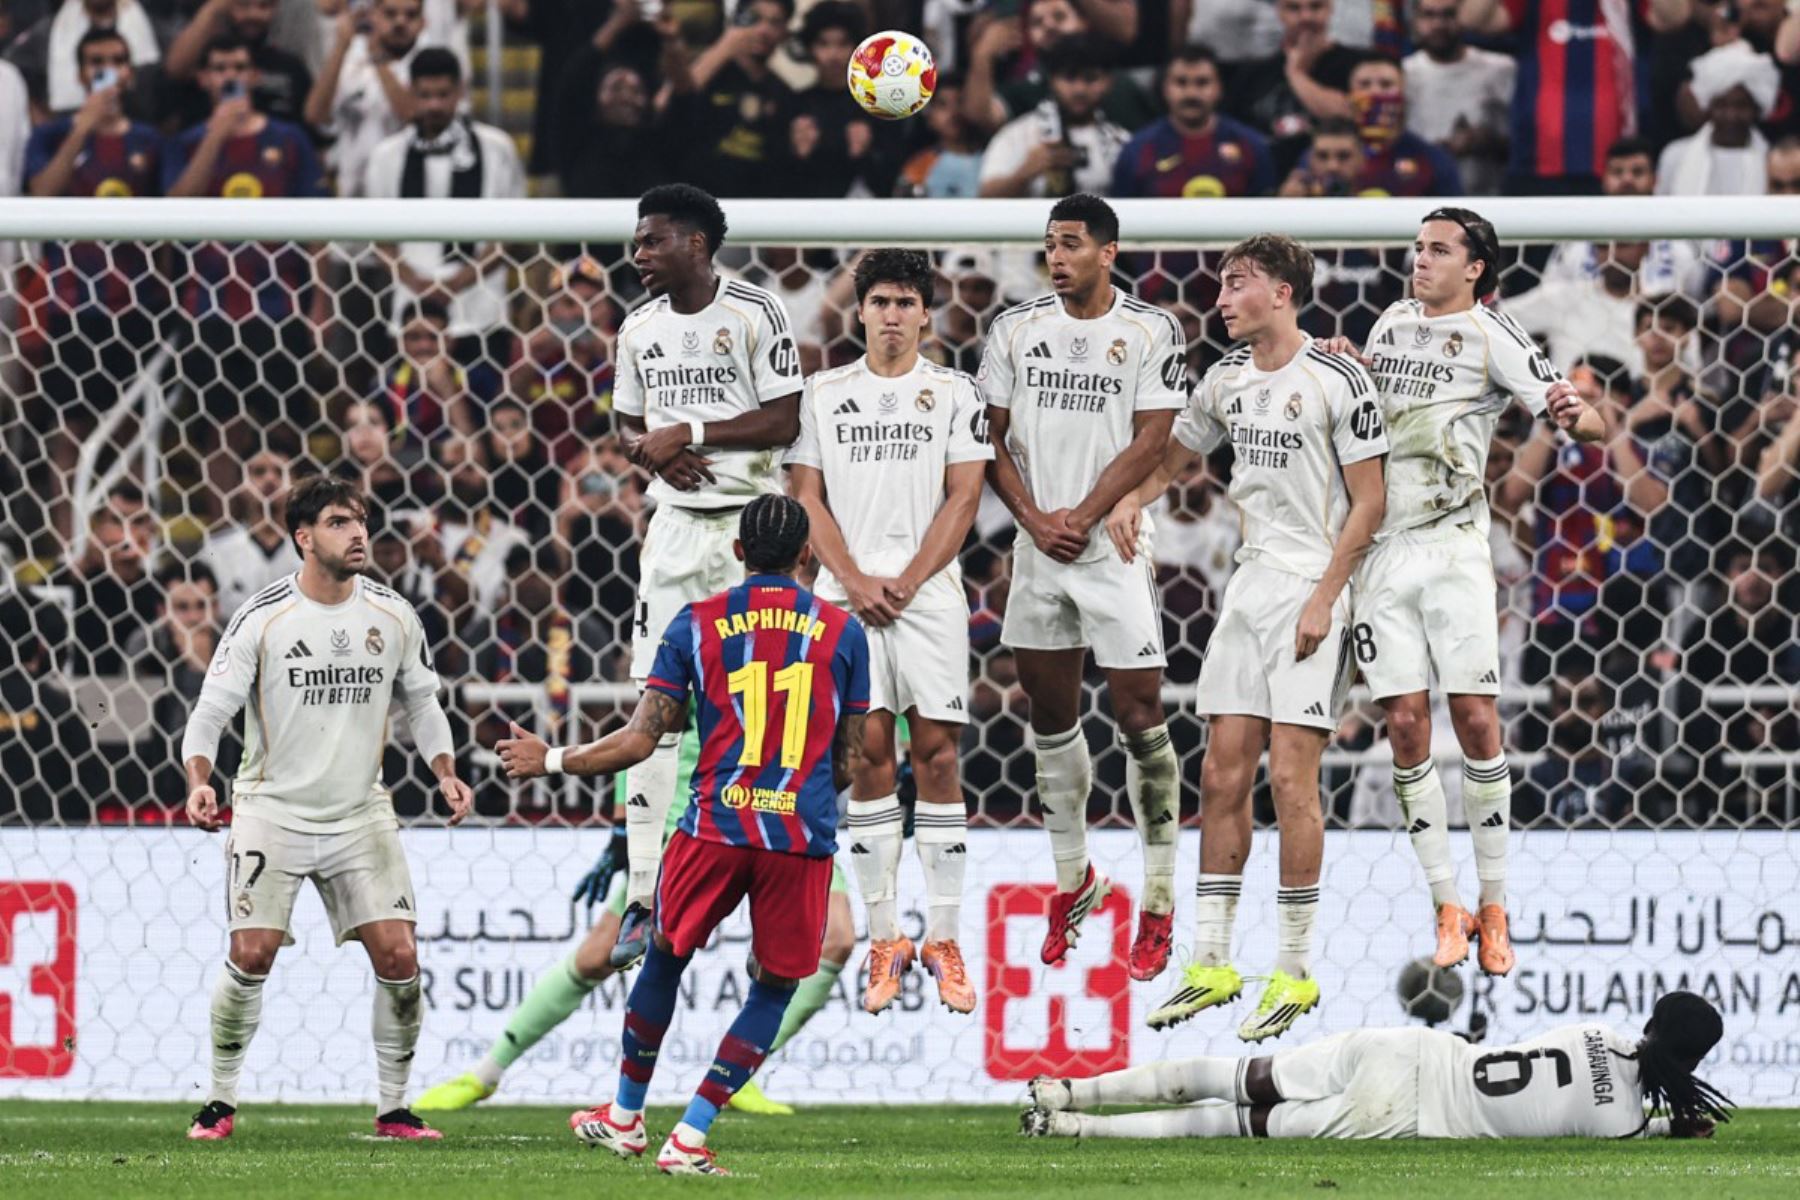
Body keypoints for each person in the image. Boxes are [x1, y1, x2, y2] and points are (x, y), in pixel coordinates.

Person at [495, 495, 870, 1176]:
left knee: (663, 960)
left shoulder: (696, 623)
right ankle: (690, 1135)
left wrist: (549, 759)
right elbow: (850, 759)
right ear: (806, 554)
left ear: (737, 552)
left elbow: (640, 740)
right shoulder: (845, 633)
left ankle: (625, 1118)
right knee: (774, 990)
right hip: (797, 835)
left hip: (713, 828)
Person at [1109, 235, 1388, 1041]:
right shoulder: (1225, 378)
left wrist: (1325, 599)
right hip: (1250, 585)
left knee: (1292, 779)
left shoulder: (1337, 378)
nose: (1222, 299)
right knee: (1221, 772)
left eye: (1237, 285)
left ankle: (1293, 971)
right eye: (1222, 285)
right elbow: (1171, 461)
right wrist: (1131, 499)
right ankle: (1212, 963)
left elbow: (1370, 501)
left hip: (1313, 585)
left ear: (1282, 293)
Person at [1323, 209, 1602, 975]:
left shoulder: (1493, 335)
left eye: (1438, 250)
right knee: (1405, 725)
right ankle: (1447, 904)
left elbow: (1583, 417)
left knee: (1477, 720)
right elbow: (1378, 409)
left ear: (1475, 267)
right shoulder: (1390, 322)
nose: (1421, 260)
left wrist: (1574, 412)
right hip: (1384, 548)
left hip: (1453, 545)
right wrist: (1352, 365)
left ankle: (1495, 903)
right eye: (1418, 248)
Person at [180, 474, 474, 1142]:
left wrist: (446, 771)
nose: (359, 533)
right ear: (304, 538)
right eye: (340, 522)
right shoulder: (263, 617)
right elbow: (209, 714)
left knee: (399, 957)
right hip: (271, 809)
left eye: (361, 520)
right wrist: (200, 781)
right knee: (252, 953)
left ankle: (394, 1108)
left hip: (359, 813)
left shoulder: (393, 615)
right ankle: (218, 1102)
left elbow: (423, 703)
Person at [979, 193, 1186, 979]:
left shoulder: (1151, 329)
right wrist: (1035, 520)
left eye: (1070, 243)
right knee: (1050, 714)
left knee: (1139, 712)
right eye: (1049, 245)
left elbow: (1154, 439)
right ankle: (1074, 882)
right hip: (1040, 544)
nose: (1057, 257)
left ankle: (1158, 898)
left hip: (1110, 547)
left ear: (1108, 252)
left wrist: (1085, 515)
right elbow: (991, 438)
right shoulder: (1014, 328)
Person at [786, 249, 992, 1014]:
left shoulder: (954, 392)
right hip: (846, 599)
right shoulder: (823, 393)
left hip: (928, 598)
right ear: (861, 311)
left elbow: (964, 496)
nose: (893, 315)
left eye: (906, 302)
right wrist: (855, 580)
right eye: (881, 302)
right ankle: (884, 938)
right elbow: (806, 496)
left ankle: (944, 937)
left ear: (926, 315)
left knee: (937, 756)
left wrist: (905, 580)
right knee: (869, 754)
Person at [609, 183, 803, 969]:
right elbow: (626, 419)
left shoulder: (756, 311)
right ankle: (641, 894)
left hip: (750, 534)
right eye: (637, 241)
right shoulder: (637, 327)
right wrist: (650, 451)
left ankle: (765, 903)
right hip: (673, 533)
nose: (639, 254)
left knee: (762, 715)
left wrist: (687, 430)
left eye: (652, 240)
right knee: (657, 709)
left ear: (695, 243)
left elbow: (785, 417)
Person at [1022, 990, 1733, 1143]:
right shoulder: (1622, 1123)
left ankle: (1067, 1089)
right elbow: (1621, 1117)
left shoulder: (1597, 1032)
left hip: (1411, 1051)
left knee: (1243, 1075)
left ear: (1650, 1026)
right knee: (1240, 1124)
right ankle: (1074, 1131)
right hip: (1409, 1113)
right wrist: (1672, 1126)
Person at [364, 47, 523, 372]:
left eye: (443, 94)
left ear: (460, 91)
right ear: (410, 91)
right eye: (425, 95)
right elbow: (379, 240)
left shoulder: (497, 148)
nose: (434, 105)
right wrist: (417, 284)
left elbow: (512, 234)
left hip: (482, 312)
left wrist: (456, 284)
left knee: (483, 402)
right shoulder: (386, 156)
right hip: (410, 318)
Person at [1110, 43, 1276, 199]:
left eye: (1202, 83)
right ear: (1165, 88)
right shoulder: (1138, 150)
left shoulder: (1251, 146)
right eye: (1181, 83)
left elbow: (1267, 210)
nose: (1191, 93)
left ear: (1219, 88)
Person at [977, 35, 1131, 199]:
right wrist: (1024, 174)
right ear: (1052, 80)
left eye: (1090, 78)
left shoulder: (1121, 141)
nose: (1079, 89)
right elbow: (985, 197)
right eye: (1069, 78)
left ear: (1108, 82)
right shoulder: (1019, 135)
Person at [305, 0, 426, 196]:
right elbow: (314, 115)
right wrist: (340, 47)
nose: (400, 22)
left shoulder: (429, 61)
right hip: (352, 188)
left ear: (423, 22)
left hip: (403, 188)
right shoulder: (351, 59)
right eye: (390, 14)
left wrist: (378, 58)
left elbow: (411, 114)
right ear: (373, 16)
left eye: (410, 15)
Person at [1402, 0, 1514, 196]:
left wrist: (1486, 141)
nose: (1438, 24)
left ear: (1465, 15)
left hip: (1490, 195)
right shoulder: (1402, 74)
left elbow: (1526, 141)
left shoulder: (1501, 69)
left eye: (1449, 14)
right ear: (1414, 21)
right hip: (1419, 195)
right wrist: (1434, 152)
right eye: (1429, 15)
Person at [199, 447, 303, 618]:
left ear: (296, 484)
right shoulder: (216, 551)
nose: (270, 479)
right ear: (240, 486)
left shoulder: (314, 548)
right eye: (259, 472)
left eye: (280, 472)